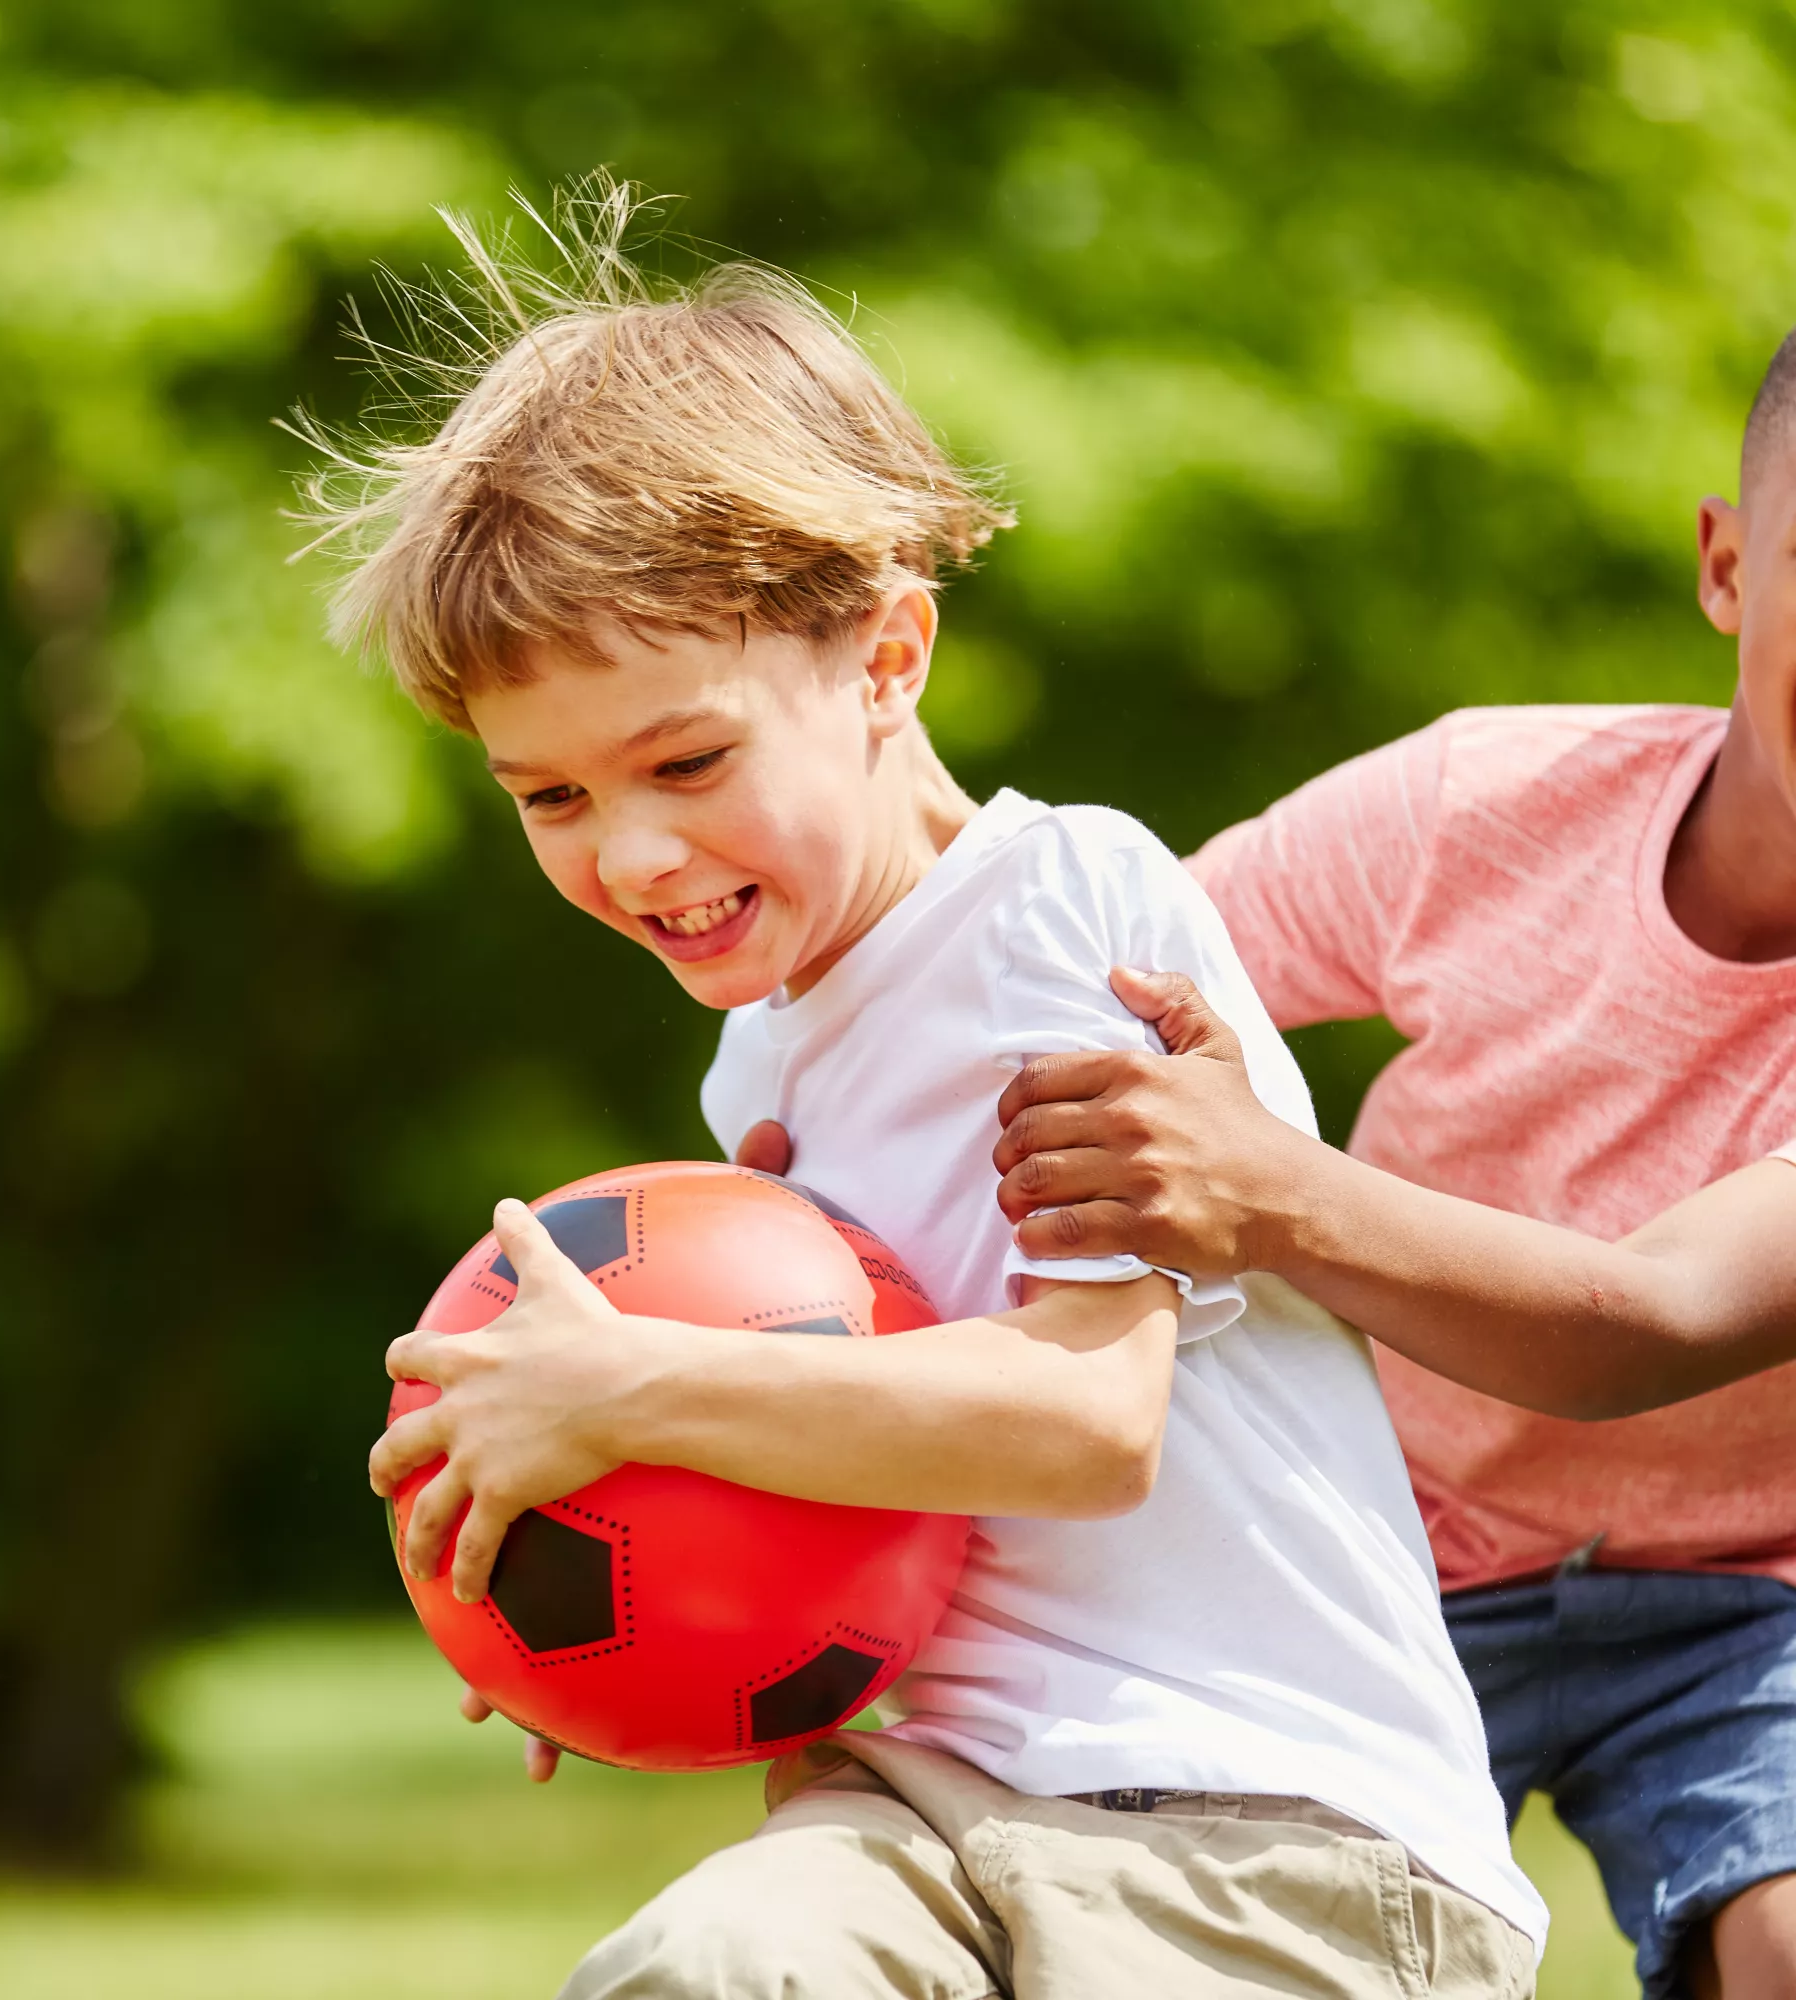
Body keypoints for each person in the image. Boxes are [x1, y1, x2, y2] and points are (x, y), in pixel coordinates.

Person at [311, 184, 1545, 1998]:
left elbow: (1086, 1421)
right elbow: (856, 1463)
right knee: (697, 1969)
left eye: (687, 757)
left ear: (888, 659)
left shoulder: (1065, 915)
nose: (635, 851)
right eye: (549, 796)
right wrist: (614, 1583)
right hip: (915, 1803)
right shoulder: (764, 1057)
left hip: (1252, 1823)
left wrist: (631, 1386)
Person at [989, 331, 1796, 2000]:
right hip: (1368, 1544)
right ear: (1728, 568)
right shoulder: (1477, 809)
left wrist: (1266, 1184)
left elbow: (1644, 1322)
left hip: (1754, 1606)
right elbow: (1083, 997)